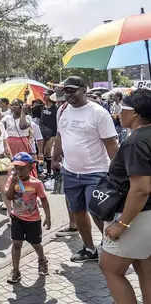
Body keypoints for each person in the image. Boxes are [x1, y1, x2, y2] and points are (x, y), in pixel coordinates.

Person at [52, 76, 119, 263]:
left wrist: (121, 170)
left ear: (84, 89)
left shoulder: (98, 113)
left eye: (73, 90)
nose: (69, 94)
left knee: (96, 210)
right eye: (66, 90)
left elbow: (111, 145)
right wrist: (55, 157)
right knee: (78, 211)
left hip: (96, 171)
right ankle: (89, 249)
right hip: (70, 172)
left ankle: (112, 247)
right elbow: (60, 136)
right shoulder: (63, 110)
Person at [99, 89, 151, 303]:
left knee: (111, 269)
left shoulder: (136, 141)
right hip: (146, 215)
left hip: (138, 214)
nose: (119, 113)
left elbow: (141, 188)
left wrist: (122, 223)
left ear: (136, 113)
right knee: (145, 267)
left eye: (123, 108)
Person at [5, 152, 51, 284]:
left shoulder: (36, 183)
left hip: (33, 220)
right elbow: (8, 197)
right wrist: (13, 183)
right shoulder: (11, 179)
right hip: (17, 217)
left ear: (31, 167)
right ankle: (15, 270)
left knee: (36, 244)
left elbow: (44, 199)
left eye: (22, 168)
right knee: (16, 243)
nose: (18, 171)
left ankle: (42, 260)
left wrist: (48, 216)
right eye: (16, 168)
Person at [38, 90, 58, 176]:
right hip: (42, 132)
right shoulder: (41, 107)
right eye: (44, 95)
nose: (44, 96)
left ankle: (49, 171)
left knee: (48, 151)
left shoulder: (55, 108)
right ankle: (41, 170)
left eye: (46, 95)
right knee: (42, 152)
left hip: (53, 133)